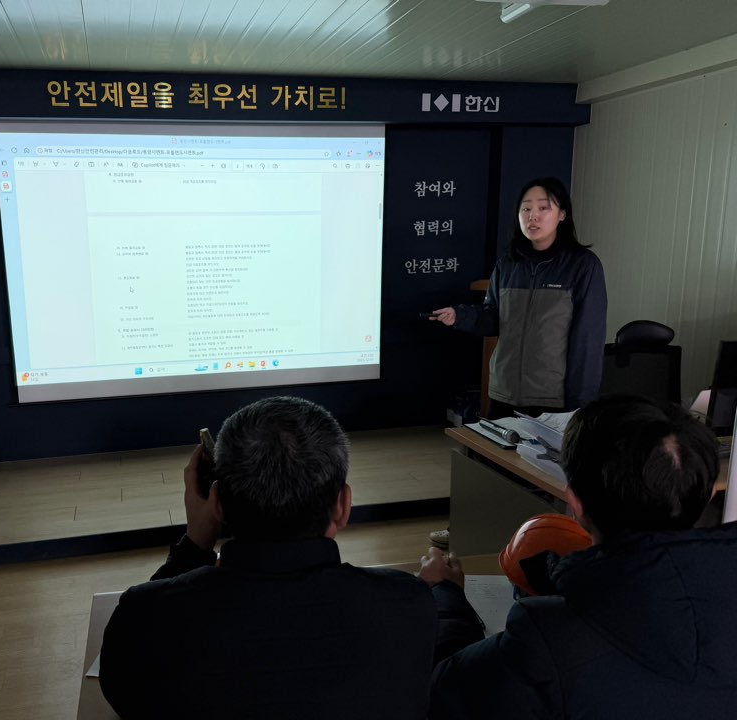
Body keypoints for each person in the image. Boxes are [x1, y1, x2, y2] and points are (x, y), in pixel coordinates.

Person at [99, 396, 483, 719]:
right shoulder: (407, 602)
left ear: (216, 503)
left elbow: (126, 691)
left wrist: (196, 543)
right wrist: (448, 595)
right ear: (343, 506)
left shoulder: (146, 615)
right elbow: (453, 679)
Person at [430, 395, 737, 719]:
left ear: (575, 504)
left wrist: (446, 596)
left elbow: (442, 691)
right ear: (708, 495)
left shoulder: (547, 636)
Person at [432, 177, 607, 415]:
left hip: (553, 400)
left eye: (543, 208)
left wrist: (578, 406)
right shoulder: (508, 263)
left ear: (562, 214)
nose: (533, 216)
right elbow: (494, 318)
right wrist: (460, 316)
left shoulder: (583, 266)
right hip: (504, 393)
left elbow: (588, 342)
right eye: (526, 209)